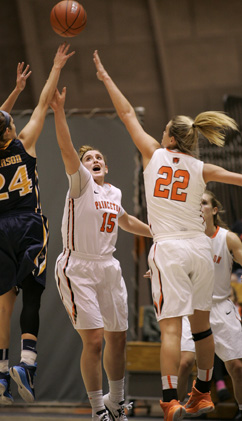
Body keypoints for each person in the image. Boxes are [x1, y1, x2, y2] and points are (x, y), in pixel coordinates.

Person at [93, 50, 242, 421]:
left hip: (170, 249)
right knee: (203, 327)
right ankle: (204, 392)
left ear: (169, 138)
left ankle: (169, 400)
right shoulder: (201, 166)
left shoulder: (152, 153)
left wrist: (105, 77)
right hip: (200, 249)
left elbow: (127, 114)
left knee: (172, 330)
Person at [50, 87, 152, 421]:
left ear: (106, 167)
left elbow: (125, 220)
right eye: (88, 158)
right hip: (77, 267)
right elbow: (66, 147)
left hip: (108, 268)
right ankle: (97, 410)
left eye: (98, 158)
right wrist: (60, 111)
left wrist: (158, 232)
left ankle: (116, 401)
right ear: (82, 166)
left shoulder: (113, 191)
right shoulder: (80, 183)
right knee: (93, 341)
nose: (94, 161)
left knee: (117, 339)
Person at [0, 43, 74, 405]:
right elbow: (44, 102)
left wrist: (13, 92)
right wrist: (55, 67)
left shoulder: (6, 139)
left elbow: (0, 118)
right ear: (11, 129)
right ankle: (27, 364)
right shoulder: (23, 142)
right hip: (27, 225)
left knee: (3, 303)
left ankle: (0, 376)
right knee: (33, 292)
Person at [179, 191, 242, 418]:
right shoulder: (183, 239)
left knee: (236, 366)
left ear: (214, 210)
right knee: (184, 363)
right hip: (192, 307)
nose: (199, 207)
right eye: (196, 204)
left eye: (204, 203)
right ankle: (175, 410)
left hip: (220, 307)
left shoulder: (227, 238)